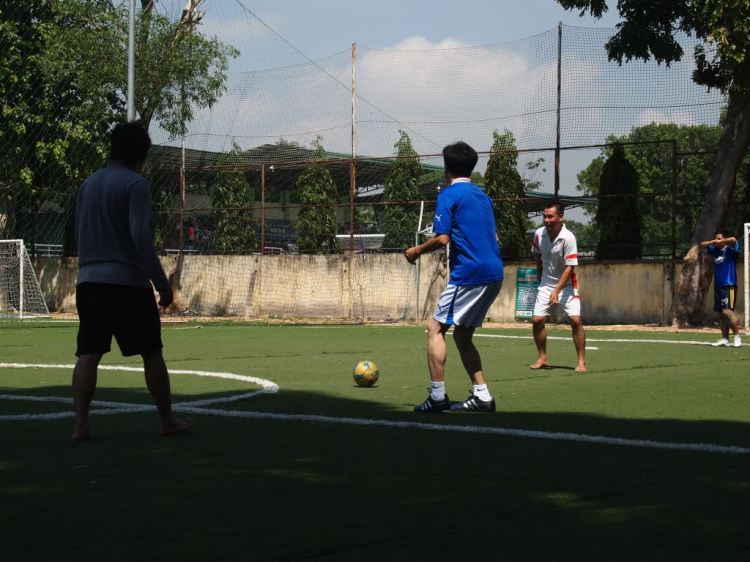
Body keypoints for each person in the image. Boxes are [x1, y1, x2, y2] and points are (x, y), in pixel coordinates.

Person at [71, 122, 193, 441]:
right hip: (126, 283)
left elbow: (81, 232)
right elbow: (141, 239)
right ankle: (166, 420)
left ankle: (80, 426)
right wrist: (161, 283)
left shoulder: (88, 184)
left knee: (89, 353)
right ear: (141, 154)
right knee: (151, 352)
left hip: (89, 281)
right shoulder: (136, 184)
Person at [405, 141, 504, 413]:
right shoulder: (483, 196)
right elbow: (493, 235)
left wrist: (416, 250)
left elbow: (442, 238)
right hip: (495, 272)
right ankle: (482, 396)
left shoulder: (449, 195)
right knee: (462, 335)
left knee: (435, 328)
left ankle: (437, 396)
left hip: (470, 273)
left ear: (446, 168)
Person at [529, 202, 586, 372]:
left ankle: (581, 361)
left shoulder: (568, 237)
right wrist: (541, 280)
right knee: (537, 320)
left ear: (560, 217)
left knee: (575, 321)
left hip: (567, 286)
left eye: (550, 216)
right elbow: (538, 257)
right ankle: (542, 358)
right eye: (544, 216)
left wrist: (557, 291)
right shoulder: (538, 234)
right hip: (546, 285)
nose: (546, 220)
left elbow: (570, 267)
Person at [701, 229, 742, 347]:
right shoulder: (715, 251)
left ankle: (737, 337)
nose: (718, 241)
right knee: (720, 313)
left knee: (727, 311)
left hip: (729, 284)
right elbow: (702, 245)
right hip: (718, 286)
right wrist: (712, 242)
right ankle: (725, 339)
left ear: (724, 239)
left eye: (719, 238)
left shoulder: (731, 250)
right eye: (717, 238)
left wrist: (723, 241)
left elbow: (733, 240)